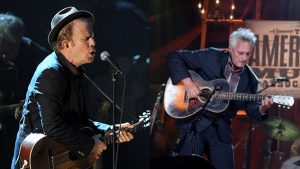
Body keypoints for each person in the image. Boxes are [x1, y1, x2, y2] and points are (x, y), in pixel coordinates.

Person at [11, 6, 134, 169]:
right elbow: (53, 126)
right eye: (86, 38)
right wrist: (90, 145)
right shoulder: (50, 72)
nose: (93, 43)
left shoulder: (76, 71)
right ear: (66, 44)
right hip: (37, 160)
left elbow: (79, 122)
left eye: (93, 37)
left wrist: (109, 130)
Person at [167, 28, 273, 169]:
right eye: (240, 53)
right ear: (230, 48)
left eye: (248, 54)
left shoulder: (251, 79)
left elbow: (251, 107)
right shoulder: (211, 56)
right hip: (195, 121)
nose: (244, 58)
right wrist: (188, 83)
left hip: (221, 129)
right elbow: (174, 56)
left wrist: (261, 109)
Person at [0, 13, 49, 168]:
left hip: (23, 126)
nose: (14, 51)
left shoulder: (30, 49)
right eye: (9, 46)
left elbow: (53, 68)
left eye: (16, 45)